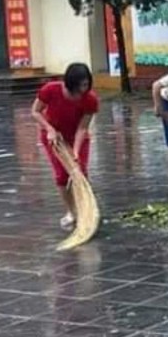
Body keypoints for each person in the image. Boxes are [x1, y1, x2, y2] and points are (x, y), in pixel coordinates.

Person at [31, 62, 99, 231]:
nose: (84, 88)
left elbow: (83, 128)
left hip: (77, 137)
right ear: (70, 82)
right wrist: (50, 129)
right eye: (80, 85)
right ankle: (71, 211)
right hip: (54, 138)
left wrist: (75, 151)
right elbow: (35, 111)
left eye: (86, 84)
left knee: (79, 172)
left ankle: (86, 211)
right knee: (62, 175)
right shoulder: (51, 90)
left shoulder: (90, 99)